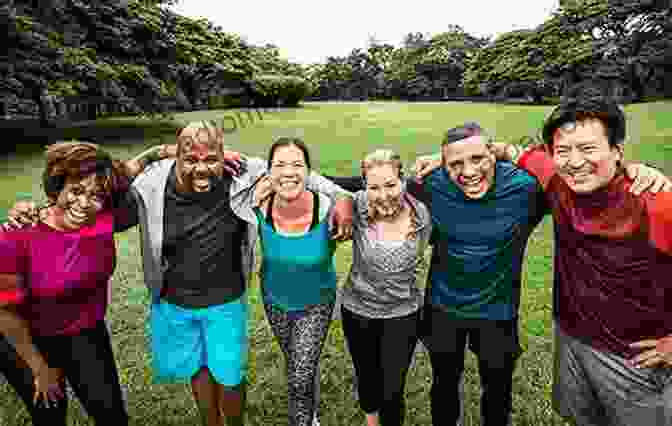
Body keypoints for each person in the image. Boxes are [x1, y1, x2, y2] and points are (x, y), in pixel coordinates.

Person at [5, 122, 354, 426]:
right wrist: (30, 212)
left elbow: (292, 172)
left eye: (210, 158)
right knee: (197, 370)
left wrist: (340, 196)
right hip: (174, 302)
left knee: (230, 375)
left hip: (225, 299)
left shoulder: (243, 171)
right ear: (177, 158)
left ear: (223, 156)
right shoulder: (150, 186)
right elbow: (106, 184)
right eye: (191, 158)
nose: (201, 168)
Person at [407, 118, 671, 426]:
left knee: (497, 388)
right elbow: (376, 186)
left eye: (478, 159)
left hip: (498, 312)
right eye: (456, 164)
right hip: (442, 307)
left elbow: (579, 176)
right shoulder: (432, 183)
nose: (468, 172)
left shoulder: (527, 188)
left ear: (492, 155)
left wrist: (633, 170)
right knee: (444, 381)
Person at [489, 90, 672, 425]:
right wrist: (460, 155)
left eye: (588, 149)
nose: (574, 162)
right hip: (572, 338)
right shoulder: (558, 182)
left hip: (635, 360)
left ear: (617, 151)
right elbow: (517, 153)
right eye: (563, 151)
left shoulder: (656, 203)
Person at [0, 140, 169, 426]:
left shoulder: (102, 219)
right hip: (27, 339)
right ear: (58, 187)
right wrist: (39, 368)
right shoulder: (17, 235)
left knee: (111, 415)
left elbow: (129, 169)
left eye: (96, 195)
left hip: (85, 332)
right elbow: (5, 312)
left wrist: (166, 151)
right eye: (76, 191)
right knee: (50, 414)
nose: (83, 203)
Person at [320, 149, 432, 426]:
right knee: (367, 374)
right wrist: (343, 198)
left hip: (403, 313)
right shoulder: (357, 205)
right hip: (358, 310)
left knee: (393, 389)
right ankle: (371, 421)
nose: (384, 195)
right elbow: (314, 179)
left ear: (403, 181)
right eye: (374, 187)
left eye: (391, 184)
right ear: (363, 187)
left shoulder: (422, 214)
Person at [247, 137, 354, 426]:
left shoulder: (329, 208)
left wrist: (344, 198)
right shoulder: (257, 206)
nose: (288, 172)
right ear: (268, 172)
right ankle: (310, 406)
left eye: (297, 165)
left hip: (316, 303)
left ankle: (305, 421)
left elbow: (366, 196)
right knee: (299, 364)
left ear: (310, 172)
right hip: (275, 300)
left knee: (298, 377)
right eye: (279, 165)